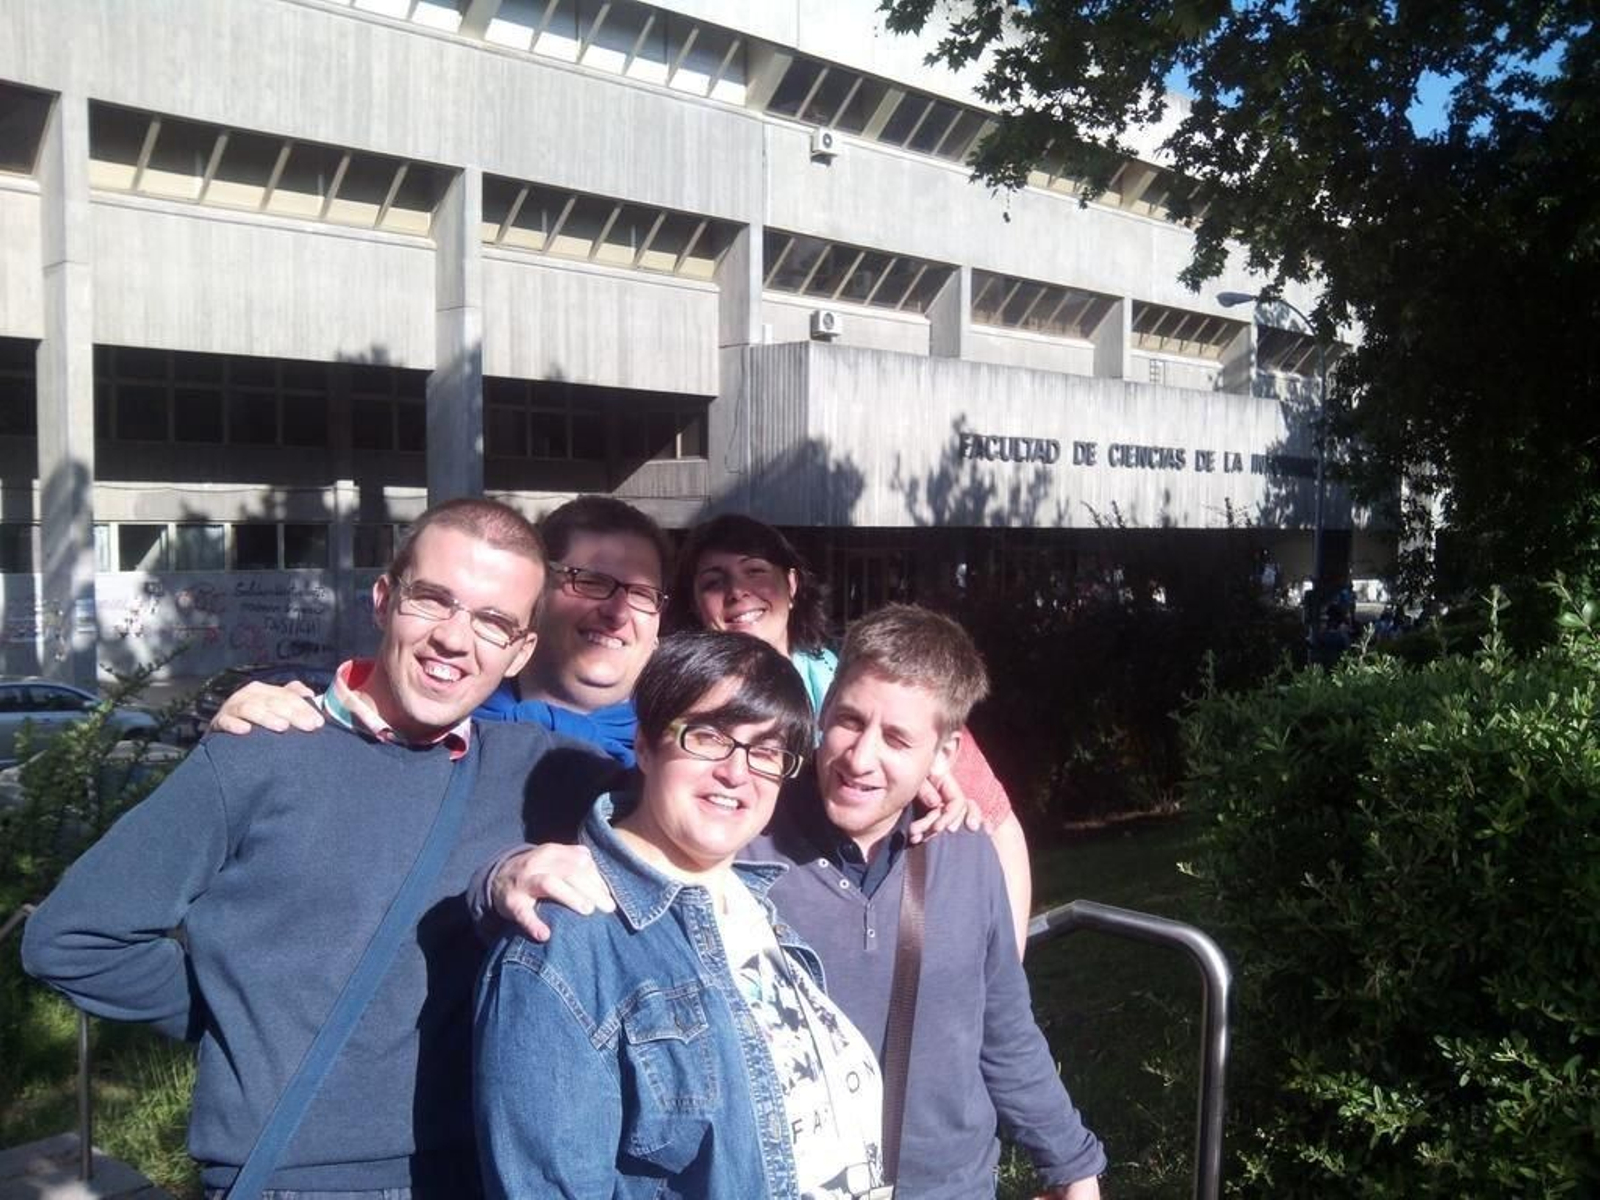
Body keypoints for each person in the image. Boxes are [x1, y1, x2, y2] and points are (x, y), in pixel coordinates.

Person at [23, 498, 621, 1199]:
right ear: (383, 600)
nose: (456, 640)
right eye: (434, 601)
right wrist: (243, 1016)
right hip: (297, 1179)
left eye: (493, 622)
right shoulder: (263, 751)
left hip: (487, 1168)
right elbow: (73, 938)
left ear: (521, 649)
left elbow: (706, 783)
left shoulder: (542, 774)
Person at [486, 605, 1104, 1199]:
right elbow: (632, 836)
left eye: (896, 737)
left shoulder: (960, 851)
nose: (861, 759)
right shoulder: (738, 839)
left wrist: (1070, 1160)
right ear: (822, 710)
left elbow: (1005, 1025)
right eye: (850, 721)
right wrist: (497, 877)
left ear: (944, 756)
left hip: (952, 1184)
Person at [475, 631, 887, 1199]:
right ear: (645, 744)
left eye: (766, 751)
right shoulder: (567, 944)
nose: (737, 772)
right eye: (709, 737)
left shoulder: (757, 909)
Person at [672, 513, 1035, 956]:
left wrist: (1003, 972)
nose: (737, 592)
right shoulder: (682, 704)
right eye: (713, 581)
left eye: (755, 572)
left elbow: (999, 825)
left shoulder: (872, 684)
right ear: (694, 603)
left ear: (791, 584)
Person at [214, 495, 672, 768]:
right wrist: (254, 737)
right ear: (534, 600)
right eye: (590, 581)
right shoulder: (411, 730)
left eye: (642, 594)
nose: (617, 611)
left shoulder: (696, 763)